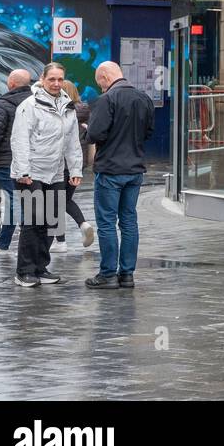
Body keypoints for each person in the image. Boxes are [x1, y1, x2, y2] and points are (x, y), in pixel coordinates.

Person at [9, 63, 82, 287]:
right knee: (33, 221)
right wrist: (23, 171)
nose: (56, 83)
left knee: (51, 222)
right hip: (31, 173)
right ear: (42, 79)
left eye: (60, 79)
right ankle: (25, 271)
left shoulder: (68, 106)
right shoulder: (28, 105)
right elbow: (19, 139)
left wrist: (76, 168)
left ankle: (41, 267)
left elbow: (72, 141)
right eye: (52, 79)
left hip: (56, 172)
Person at [85, 61, 155, 290]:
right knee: (129, 221)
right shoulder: (143, 98)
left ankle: (107, 274)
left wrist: (89, 130)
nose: (101, 88)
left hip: (110, 170)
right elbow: (148, 131)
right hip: (135, 169)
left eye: (100, 84)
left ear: (105, 77)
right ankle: (127, 274)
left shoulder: (107, 99)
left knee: (106, 223)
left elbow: (95, 134)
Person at [0, 68, 32, 255]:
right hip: (30, 161)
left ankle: (4, 244)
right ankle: (27, 243)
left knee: (14, 202)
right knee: (27, 201)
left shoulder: (3, 104)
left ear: (11, 83)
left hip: (7, 160)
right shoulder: (35, 102)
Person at [52, 82, 96, 251]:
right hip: (78, 164)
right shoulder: (85, 111)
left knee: (56, 201)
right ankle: (82, 225)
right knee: (64, 199)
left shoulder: (62, 111)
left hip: (60, 163)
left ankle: (61, 241)